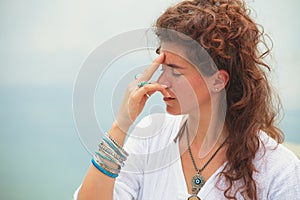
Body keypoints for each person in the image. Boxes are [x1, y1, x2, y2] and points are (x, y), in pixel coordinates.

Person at [74, 0, 300, 199]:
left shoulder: (279, 171)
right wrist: (121, 123)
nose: (162, 82)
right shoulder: (151, 138)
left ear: (217, 81)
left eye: (175, 71)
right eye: (162, 68)